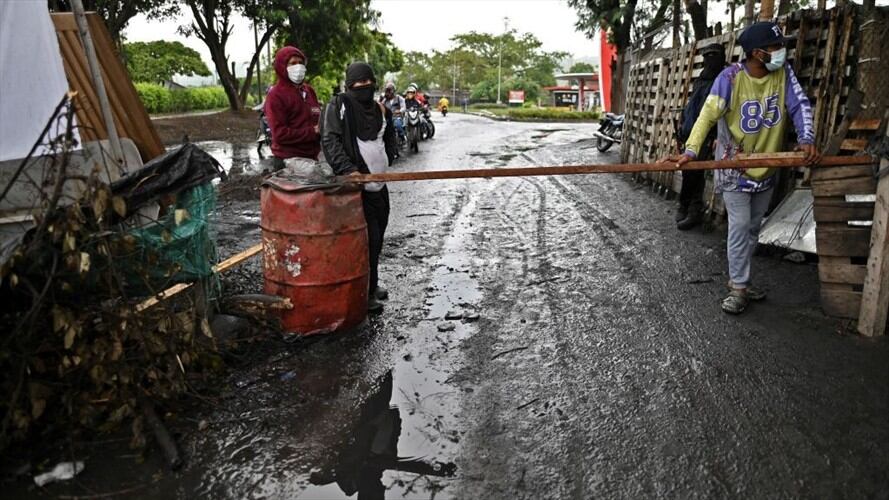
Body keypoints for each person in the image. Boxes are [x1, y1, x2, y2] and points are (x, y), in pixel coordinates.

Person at [664, 21, 820, 315]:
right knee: (739, 227)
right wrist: (691, 150)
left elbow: (799, 106)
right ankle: (738, 288)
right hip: (734, 166)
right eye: (775, 48)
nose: (781, 52)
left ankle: (742, 281)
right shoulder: (730, 78)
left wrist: (806, 138)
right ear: (757, 53)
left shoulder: (783, 74)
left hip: (766, 166)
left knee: (752, 228)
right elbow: (707, 116)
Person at [321, 62, 397, 314]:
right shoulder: (339, 106)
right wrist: (348, 170)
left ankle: (372, 285)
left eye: (368, 82)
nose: (363, 87)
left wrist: (389, 156)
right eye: (358, 84)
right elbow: (330, 139)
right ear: (349, 85)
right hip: (357, 189)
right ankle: (362, 294)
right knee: (365, 241)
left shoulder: (380, 110)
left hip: (380, 185)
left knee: (378, 240)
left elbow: (387, 140)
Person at [675, 43, 727, 230]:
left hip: (708, 134)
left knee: (695, 172)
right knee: (688, 170)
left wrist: (715, 136)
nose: (709, 60)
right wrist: (683, 124)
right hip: (690, 132)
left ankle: (693, 210)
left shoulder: (724, 79)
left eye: (713, 56)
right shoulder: (701, 78)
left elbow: (717, 111)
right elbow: (693, 105)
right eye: (707, 56)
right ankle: (685, 206)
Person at [264, 46, 321, 170]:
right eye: (293, 63)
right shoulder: (276, 95)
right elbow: (280, 134)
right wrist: (313, 131)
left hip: (311, 158)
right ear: (282, 67)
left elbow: (317, 120)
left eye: (301, 63)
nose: (298, 67)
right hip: (288, 160)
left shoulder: (309, 91)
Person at [380, 81, 406, 151]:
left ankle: (402, 137)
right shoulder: (385, 100)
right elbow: (380, 106)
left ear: (393, 90)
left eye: (389, 90)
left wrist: (400, 111)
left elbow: (404, 107)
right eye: (387, 90)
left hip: (397, 117)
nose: (388, 92)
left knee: (398, 125)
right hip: (388, 118)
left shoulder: (399, 98)